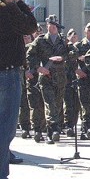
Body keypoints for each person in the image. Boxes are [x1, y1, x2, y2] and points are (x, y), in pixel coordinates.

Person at [0, 0, 38, 179]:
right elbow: (30, 26)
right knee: (5, 128)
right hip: (6, 75)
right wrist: (18, 2)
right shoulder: (6, 8)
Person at [26, 14, 73, 144]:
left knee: (57, 105)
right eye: (50, 25)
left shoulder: (64, 41)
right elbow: (29, 54)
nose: (52, 28)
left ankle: (51, 130)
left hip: (60, 78)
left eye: (54, 26)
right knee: (49, 103)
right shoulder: (40, 40)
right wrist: (38, 68)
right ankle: (53, 130)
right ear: (46, 26)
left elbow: (74, 53)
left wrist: (63, 58)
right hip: (46, 78)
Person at [74, 22, 90, 140]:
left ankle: (87, 126)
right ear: (85, 31)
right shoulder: (79, 46)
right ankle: (86, 127)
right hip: (83, 79)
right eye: (89, 30)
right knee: (85, 103)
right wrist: (77, 70)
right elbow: (71, 60)